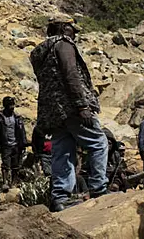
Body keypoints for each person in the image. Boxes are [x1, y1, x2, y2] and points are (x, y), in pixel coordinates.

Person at [30, 14, 108, 213]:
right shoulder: (64, 45)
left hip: (52, 111)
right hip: (70, 107)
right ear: (64, 28)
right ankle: (99, 189)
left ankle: (60, 198)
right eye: (72, 30)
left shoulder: (41, 52)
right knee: (99, 143)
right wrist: (82, 105)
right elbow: (70, 74)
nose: (74, 35)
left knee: (62, 151)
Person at [0, 97, 27, 188]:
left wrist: (23, 143)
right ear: (5, 106)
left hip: (16, 144)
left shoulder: (16, 117)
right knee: (5, 164)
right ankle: (5, 182)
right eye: (10, 105)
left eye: (13, 105)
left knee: (15, 165)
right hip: (5, 145)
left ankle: (14, 182)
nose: (12, 107)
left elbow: (22, 130)